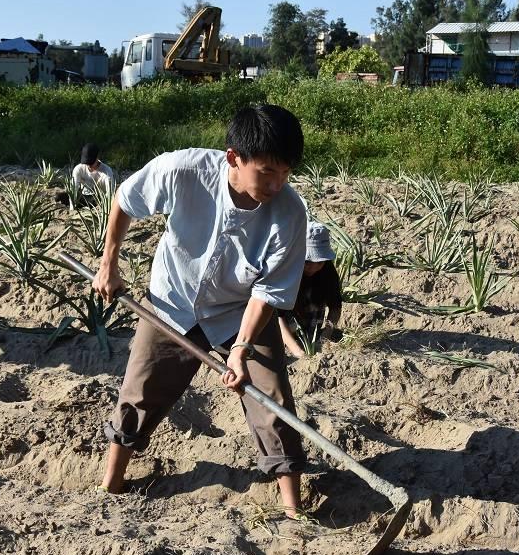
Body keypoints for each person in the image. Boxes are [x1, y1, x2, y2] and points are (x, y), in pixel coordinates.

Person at [92, 104, 309, 519]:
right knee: (140, 392)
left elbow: (267, 291)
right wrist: (109, 263)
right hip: (172, 301)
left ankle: (294, 510)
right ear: (234, 158)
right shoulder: (183, 170)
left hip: (237, 311)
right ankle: (111, 485)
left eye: (285, 173)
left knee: (271, 399)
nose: (277, 184)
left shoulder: (289, 214)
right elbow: (125, 198)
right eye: (266, 172)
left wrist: (241, 349)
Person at [278, 221, 343, 358]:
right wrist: (297, 351)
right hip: (282, 331)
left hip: (312, 327)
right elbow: (278, 317)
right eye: (307, 262)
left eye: (319, 263)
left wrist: (325, 335)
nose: (313, 268)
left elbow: (335, 306)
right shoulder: (285, 273)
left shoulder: (328, 272)